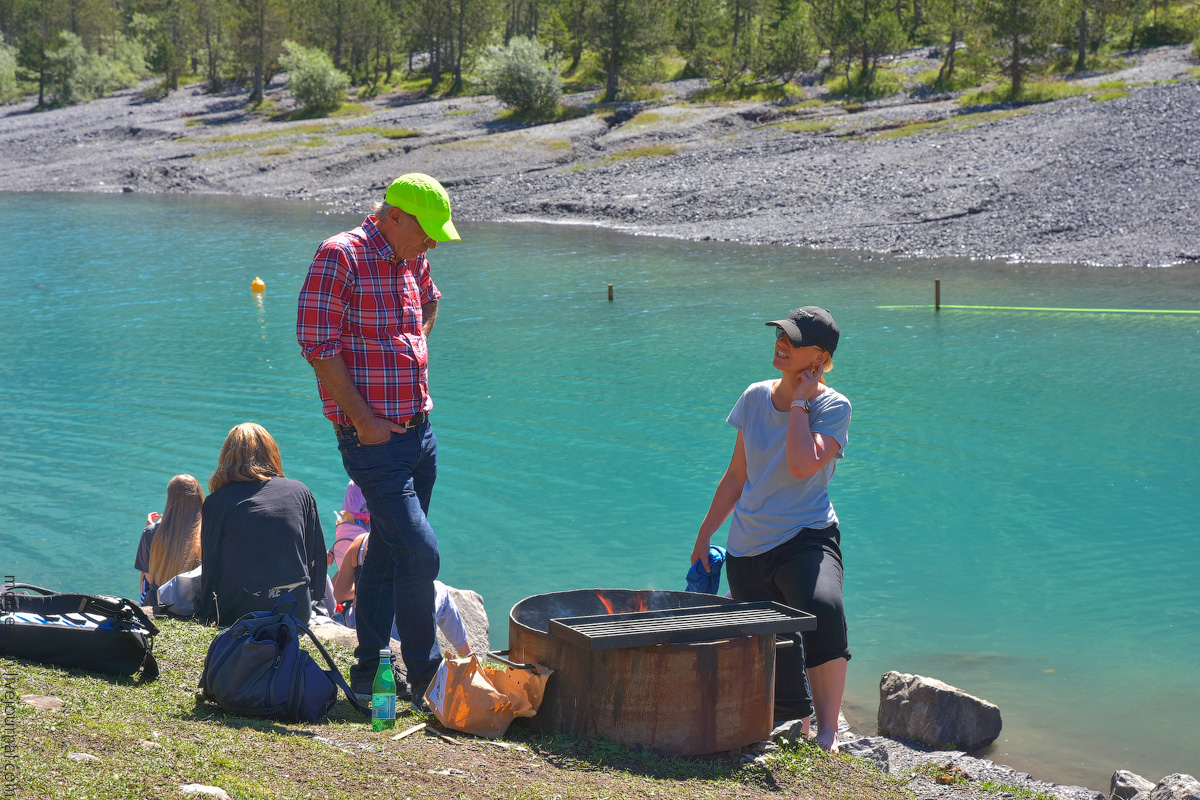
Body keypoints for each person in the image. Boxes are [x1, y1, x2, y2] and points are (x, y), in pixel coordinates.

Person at [296, 172, 460, 706]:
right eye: (427, 230)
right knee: (421, 552)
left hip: (420, 432)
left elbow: (431, 301)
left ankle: (368, 673)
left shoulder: (412, 256)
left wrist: (408, 340)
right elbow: (317, 346)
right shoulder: (340, 255)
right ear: (395, 216)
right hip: (373, 441)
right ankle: (427, 676)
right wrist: (364, 420)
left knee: (389, 554)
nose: (433, 241)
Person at [690, 306, 852, 752]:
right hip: (747, 546)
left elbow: (801, 464)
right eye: (781, 334)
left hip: (807, 535)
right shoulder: (754, 397)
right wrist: (705, 535)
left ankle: (828, 730)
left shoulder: (834, 406)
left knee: (823, 607)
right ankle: (796, 716)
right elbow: (737, 476)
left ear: (820, 356)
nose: (782, 343)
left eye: (794, 340)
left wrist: (801, 401)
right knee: (766, 637)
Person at [197, 422, 327, 625]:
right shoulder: (300, 492)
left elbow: (211, 564)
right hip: (296, 609)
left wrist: (207, 612)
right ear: (272, 453)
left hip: (243, 613)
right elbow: (316, 554)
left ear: (226, 458)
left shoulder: (217, 501)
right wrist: (316, 594)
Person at [332, 531, 472, 661]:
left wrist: (366, 589)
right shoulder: (409, 544)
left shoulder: (360, 542)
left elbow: (339, 594)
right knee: (441, 590)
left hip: (360, 624)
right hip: (399, 631)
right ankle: (468, 656)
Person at [134, 474, 204, 606]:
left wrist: (153, 530)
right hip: (194, 602)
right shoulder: (207, 532)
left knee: (145, 574)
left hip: (158, 601)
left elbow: (149, 578)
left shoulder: (150, 533)